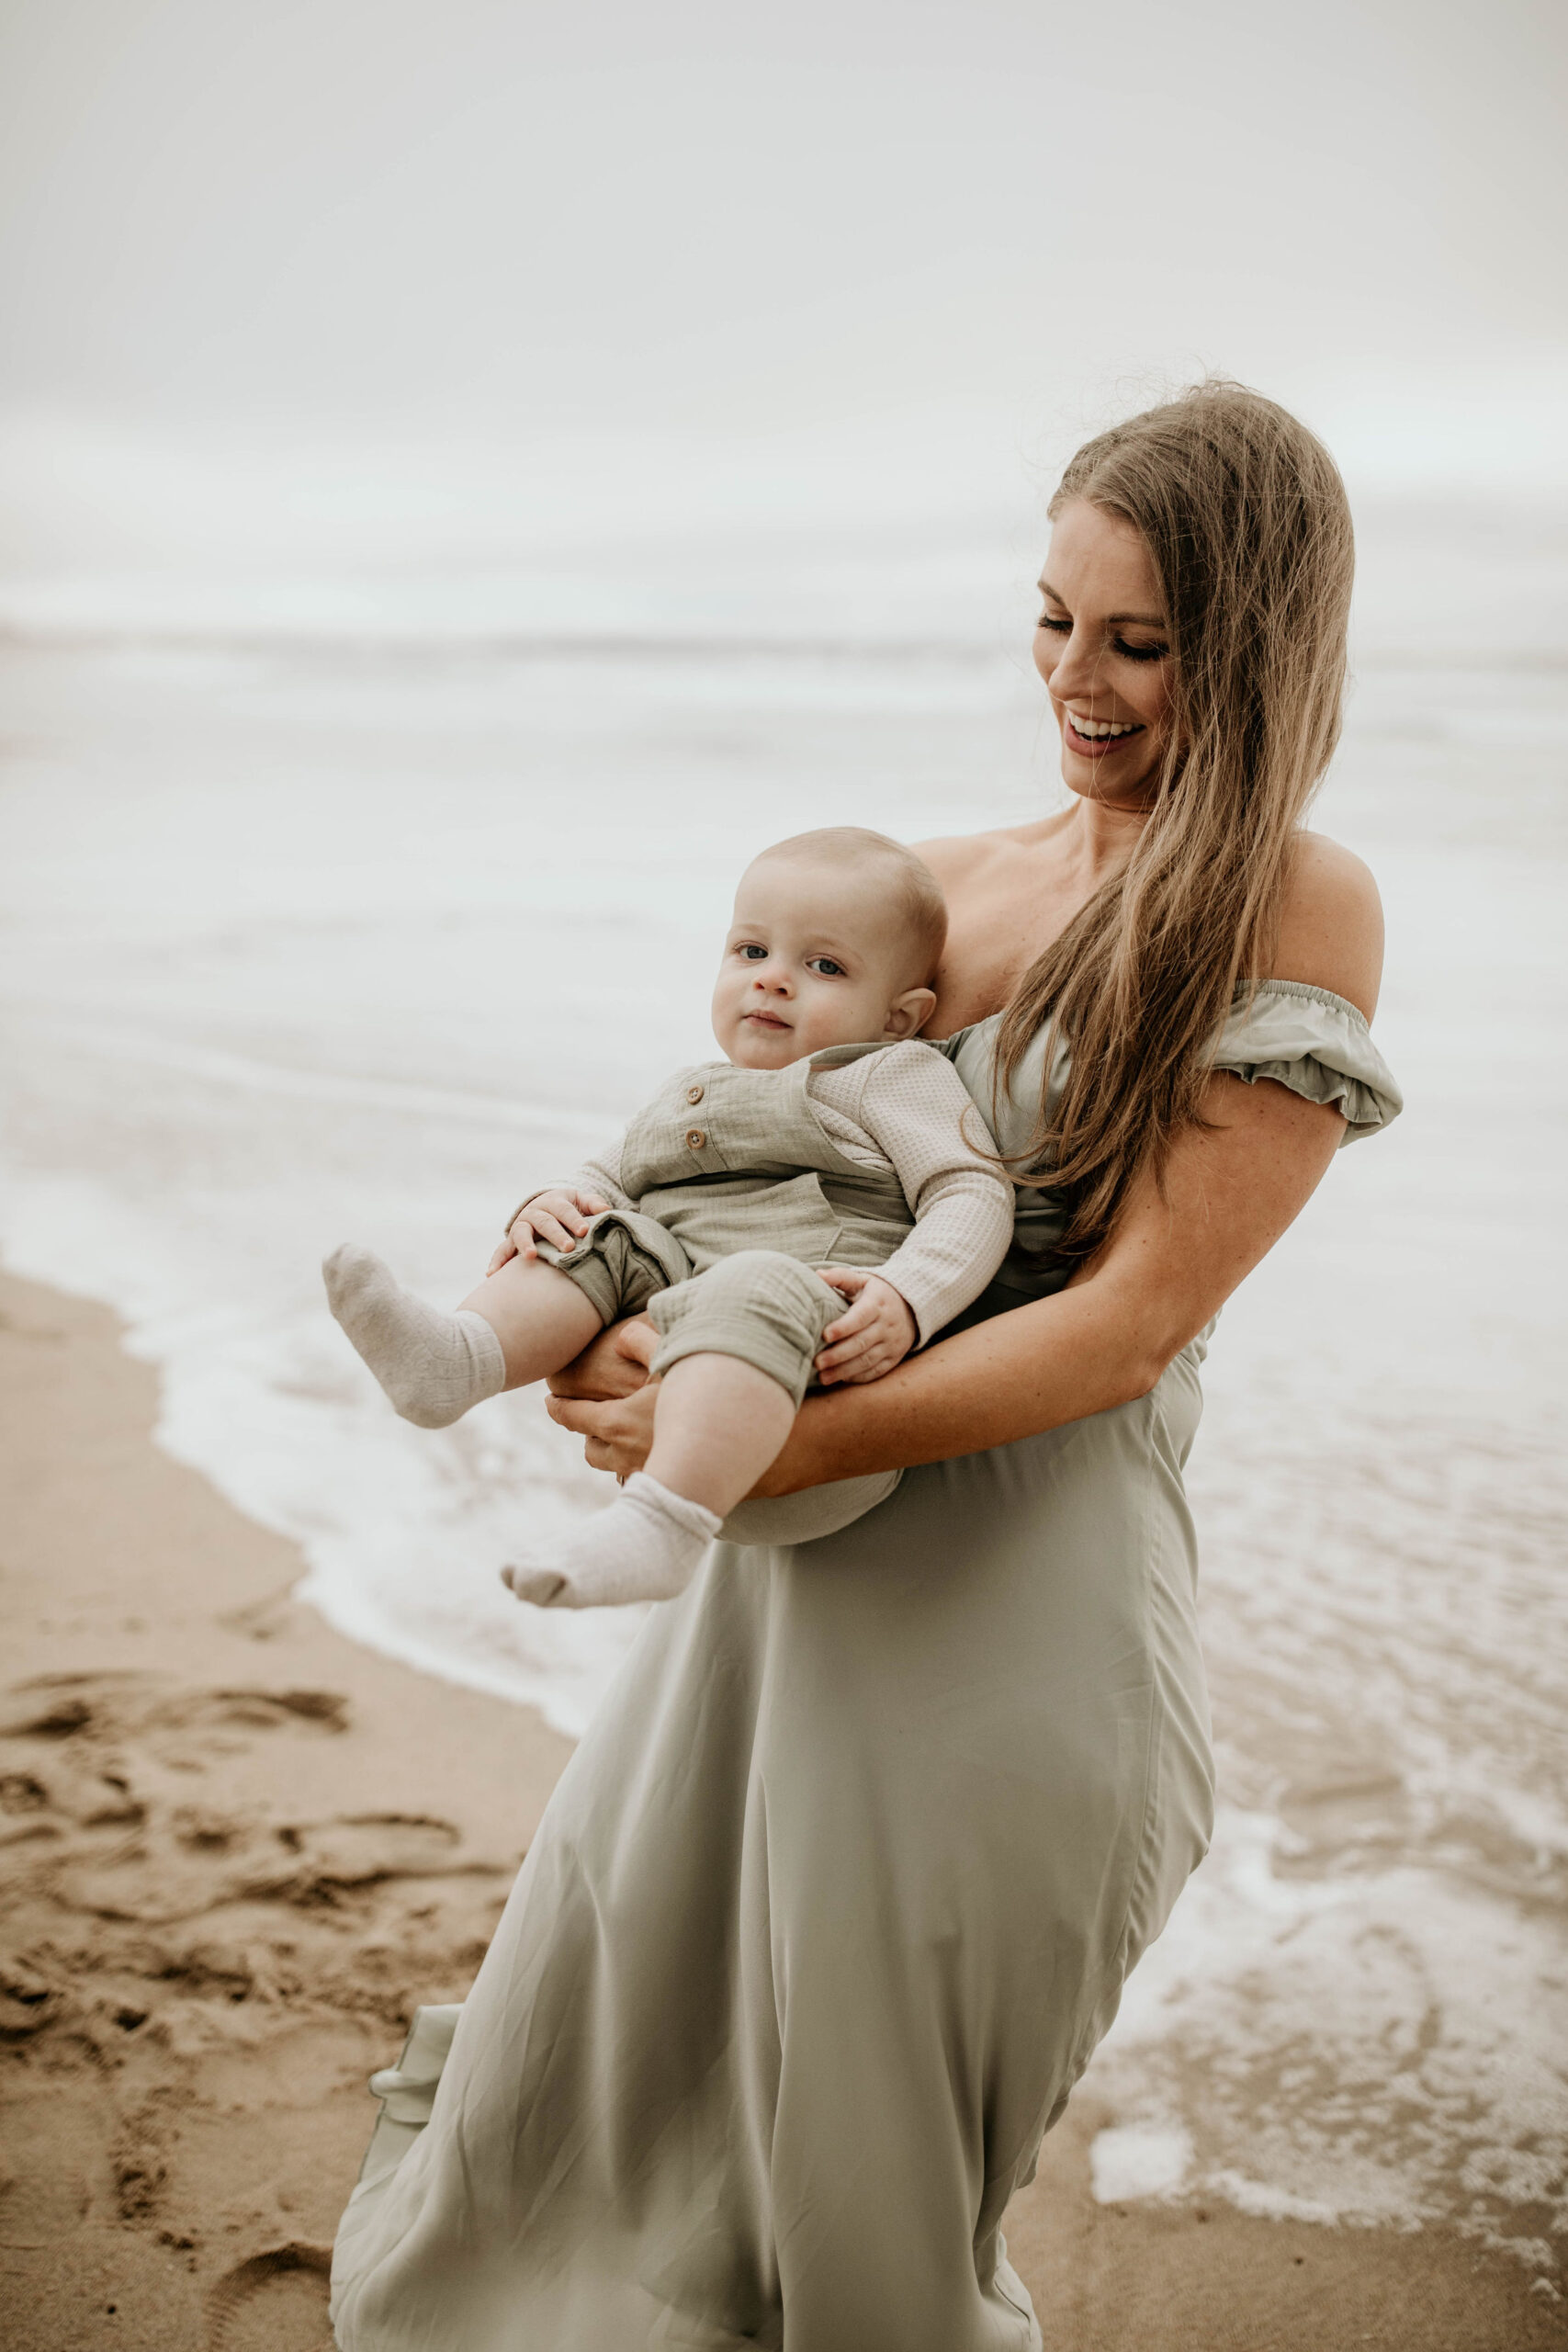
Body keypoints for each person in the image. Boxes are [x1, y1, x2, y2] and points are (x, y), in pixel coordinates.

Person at [329, 381, 1403, 2352]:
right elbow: (737, 1174)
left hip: (1019, 1588)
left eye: (1139, 639)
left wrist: (723, 1436)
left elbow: (1129, 1316)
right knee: (636, 2023)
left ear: (1252, 644)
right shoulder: (926, 881)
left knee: (867, 2148)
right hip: (789, 1567)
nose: (1075, 679)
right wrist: (610, 1329)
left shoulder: (1287, 902)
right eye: (1051, 617)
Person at [322, 827, 1013, 1608]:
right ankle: (459, 1359)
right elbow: (610, 1176)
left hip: (813, 1379)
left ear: (897, 1017)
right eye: (751, 952)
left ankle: (661, 1527)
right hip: (677, 1369)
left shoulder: (889, 1074)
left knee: (753, 1281)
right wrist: (548, 1204)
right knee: (592, 1235)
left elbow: (970, 1192)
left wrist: (910, 1298)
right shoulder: (690, 1089)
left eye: (823, 966)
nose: (773, 982)